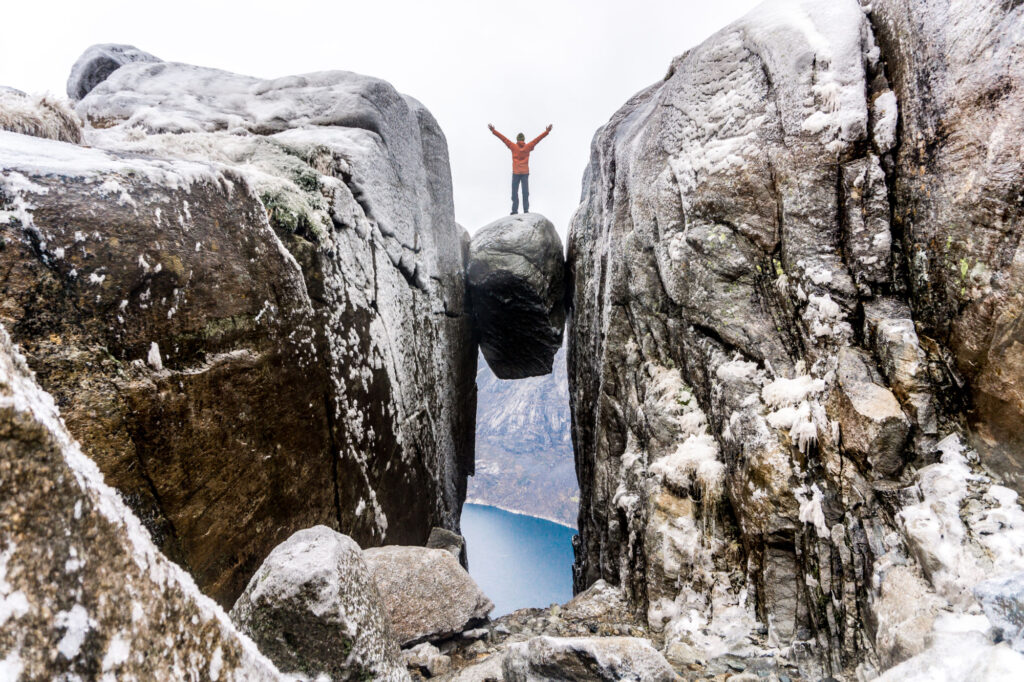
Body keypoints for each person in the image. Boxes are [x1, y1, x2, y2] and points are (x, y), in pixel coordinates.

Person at [488, 123, 552, 214]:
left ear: (517, 140)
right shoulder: (528, 146)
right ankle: (526, 210)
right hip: (525, 173)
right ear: (523, 140)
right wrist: (547, 132)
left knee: (514, 193)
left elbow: (503, 139)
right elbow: (538, 139)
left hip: (516, 173)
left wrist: (493, 131)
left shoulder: (513, 146)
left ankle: (514, 211)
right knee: (525, 193)